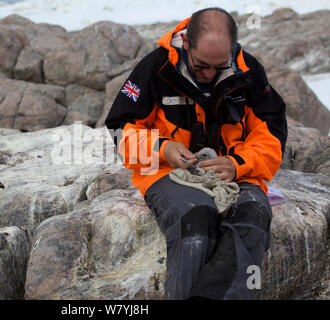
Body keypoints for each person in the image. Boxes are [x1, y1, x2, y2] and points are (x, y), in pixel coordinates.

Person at [105, 7, 287, 300]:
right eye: (201, 65)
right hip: (168, 172)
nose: (208, 74)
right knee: (196, 220)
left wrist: (238, 164)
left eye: (219, 66)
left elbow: (272, 135)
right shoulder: (156, 68)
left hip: (236, 173)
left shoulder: (249, 72)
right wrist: (162, 148)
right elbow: (119, 128)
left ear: (233, 48)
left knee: (253, 217)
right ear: (186, 43)